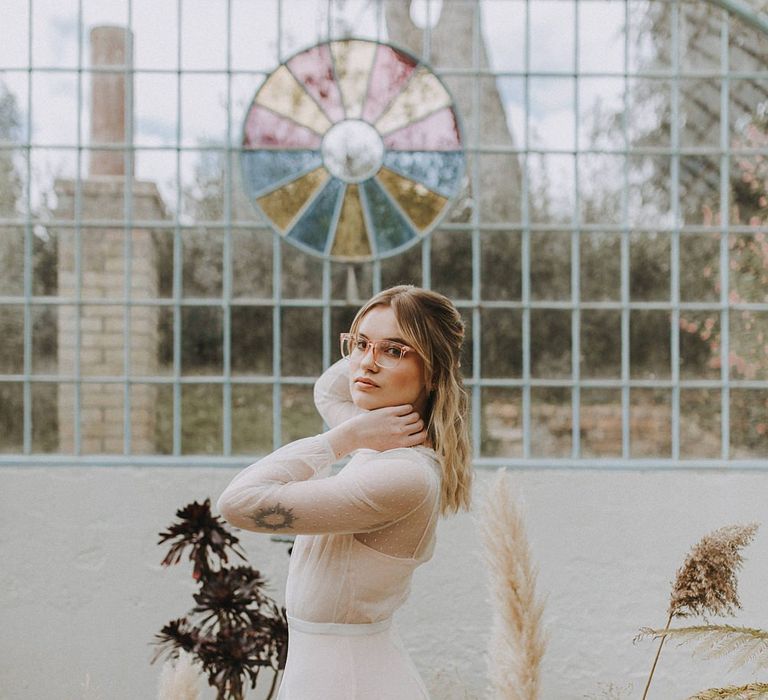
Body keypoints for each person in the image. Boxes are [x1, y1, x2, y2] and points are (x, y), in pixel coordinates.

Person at [217, 285, 472, 699]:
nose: (366, 364)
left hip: (352, 682)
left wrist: (342, 438)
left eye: (394, 351)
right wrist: (384, 328)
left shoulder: (403, 475)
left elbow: (239, 503)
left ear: (433, 371)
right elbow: (330, 389)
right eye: (359, 345)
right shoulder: (385, 437)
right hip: (328, 674)